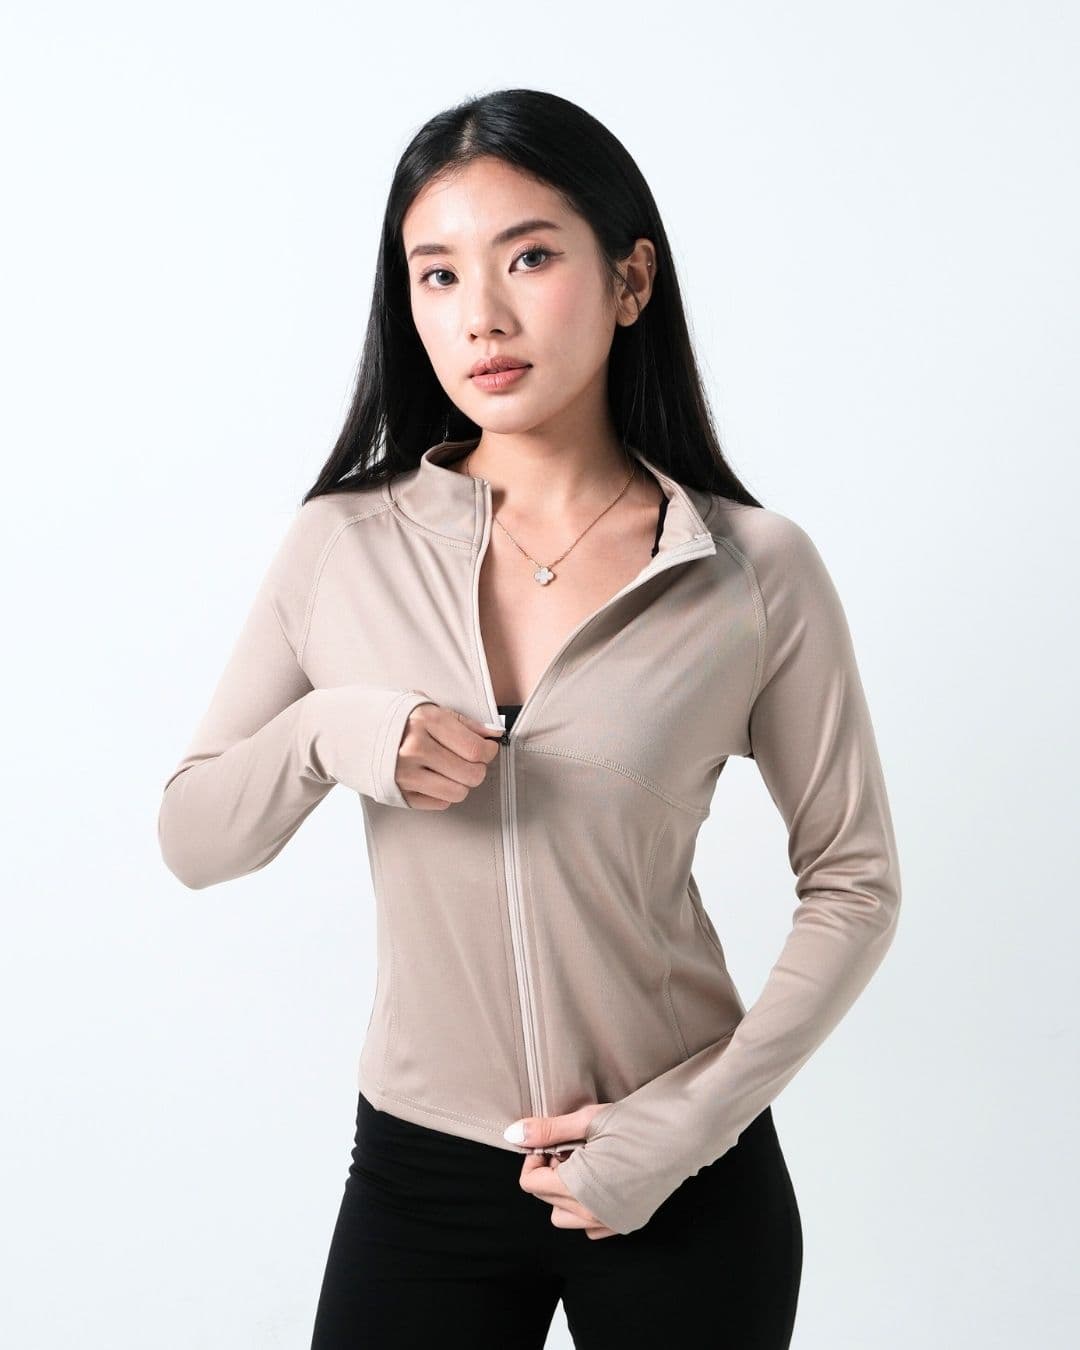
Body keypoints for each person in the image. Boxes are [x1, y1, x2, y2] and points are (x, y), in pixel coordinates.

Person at [158, 88, 901, 1350]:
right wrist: (337, 730)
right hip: (420, 1179)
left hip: (679, 1171)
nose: (481, 318)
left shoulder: (751, 569)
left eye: (530, 258)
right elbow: (195, 840)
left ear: (630, 280)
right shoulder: (342, 545)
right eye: (438, 275)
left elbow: (855, 882)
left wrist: (689, 1124)